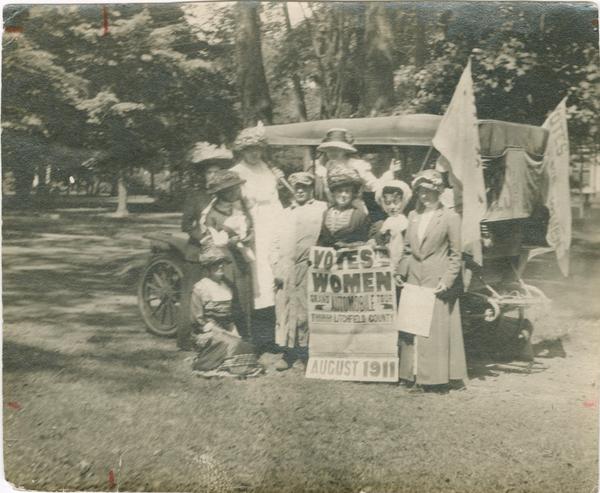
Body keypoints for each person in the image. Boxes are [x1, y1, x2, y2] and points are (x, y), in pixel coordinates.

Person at [395, 169, 467, 392]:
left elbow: (456, 254)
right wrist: (400, 271)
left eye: (428, 191)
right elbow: (408, 249)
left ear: (438, 191)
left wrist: (447, 279)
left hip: (435, 280)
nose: (424, 196)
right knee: (411, 328)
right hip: (414, 278)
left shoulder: (450, 218)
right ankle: (409, 375)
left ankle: (432, 379)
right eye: (420, 191)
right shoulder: (413, 216)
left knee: (431, 331)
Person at [231, 125, 285, 351]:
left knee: (276, 273)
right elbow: (235, 205)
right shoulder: (236, 172)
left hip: (274, 221)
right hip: (253, 225)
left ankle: (276, 332)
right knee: (258, 278)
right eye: (249, 149)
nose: (254, 154)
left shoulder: (269, 169)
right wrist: (241, 230)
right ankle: (255, 334)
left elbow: (276, 199)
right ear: (242, 150)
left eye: (258, 149)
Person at [178, 143, 234, 350]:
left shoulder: (224, 197)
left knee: (216, 296)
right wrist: (201, 237)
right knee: (193, 296)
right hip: (196, 252)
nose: (212, 176)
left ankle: (215, 336)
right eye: (209, 172)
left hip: (218, 254)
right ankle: (187, 339)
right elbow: (185, 225)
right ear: (203, 175)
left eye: (216, 172)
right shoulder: (195, 196)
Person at [271, 172, 327, 371]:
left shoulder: (321, 208)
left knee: (305, 310)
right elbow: (275, 242)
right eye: (297, 187)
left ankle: (305, 354)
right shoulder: (286, 213)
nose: (301, 191)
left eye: (305, 187)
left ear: (311, 188)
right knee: (285, 309)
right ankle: (287, 353)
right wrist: (276, 266)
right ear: (293, 190)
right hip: (286, 268)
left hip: (309, 266)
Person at [190, 248, 263, 379]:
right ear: (208, 267)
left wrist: (233, 332)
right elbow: (198, 320)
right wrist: (223, 333)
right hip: (207, 332)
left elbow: (231, 317)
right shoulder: (200, 288)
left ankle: (233, 364)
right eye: (216, 264)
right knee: (232, 344)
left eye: (222, 263)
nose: (220, 266)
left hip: (226, 329)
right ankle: (214, 363)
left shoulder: (227, 286)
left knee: (245, 344)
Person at [199, 169, 254, 339]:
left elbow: (250, 226)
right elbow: (209, 241)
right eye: (232, 190)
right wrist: (228, 241)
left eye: (237, 188)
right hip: (224, 263)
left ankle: (247, 341)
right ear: (223, 193)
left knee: (245, 300)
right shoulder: (212, 214)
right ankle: (227, 341)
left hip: (241, 261)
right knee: (229, 300)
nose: (237, 192)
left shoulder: (240, 207)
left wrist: (249, 235)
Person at [318, 164, 371, 248]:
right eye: (339, 191)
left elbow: (366, 242)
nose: (343, 195)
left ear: (353, 194)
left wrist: (347, 246)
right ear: (334, 193)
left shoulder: (359, 215)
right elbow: (321, 240)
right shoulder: (326, 213)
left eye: (347, 191)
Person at [369, 179, 412, 268]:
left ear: (403, 201)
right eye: (388, 203)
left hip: (403, 266)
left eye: (396, 202)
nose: (392, 207)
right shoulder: (379, 225)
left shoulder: (407, 223)